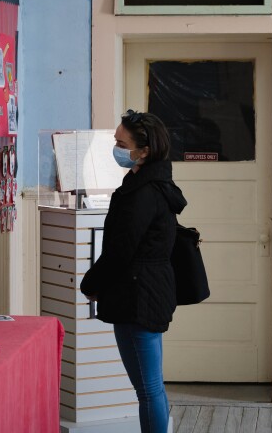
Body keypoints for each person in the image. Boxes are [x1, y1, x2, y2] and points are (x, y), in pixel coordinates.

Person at [80, 109, 186, 433]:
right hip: (145, 293)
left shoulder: (141, 193)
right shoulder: (153, 184)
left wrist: (90, 284)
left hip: (138, 297)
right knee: (152, 386)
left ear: (144, 151)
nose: (116, 148)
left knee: (148, 389)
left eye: (121, 143)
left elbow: (120, 252)